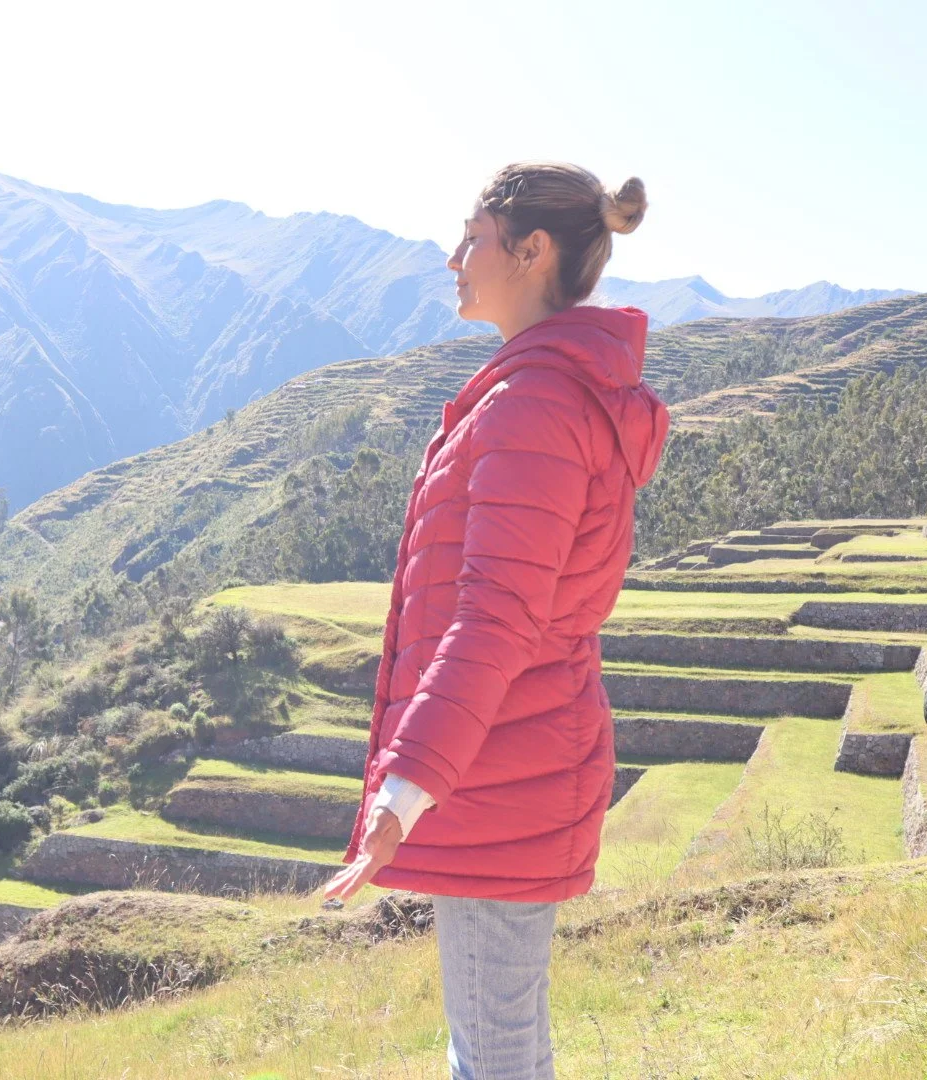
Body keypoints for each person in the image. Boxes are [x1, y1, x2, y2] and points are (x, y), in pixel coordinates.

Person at [323, 162, 669, 1080]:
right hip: (506, 760)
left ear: (531, 251)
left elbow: (495, 619)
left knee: (498, 1055)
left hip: (501, 768)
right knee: (491, 1042)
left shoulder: (536, 406)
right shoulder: (543, 391)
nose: (452, 259)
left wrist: (404, 791)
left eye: (471, 238)